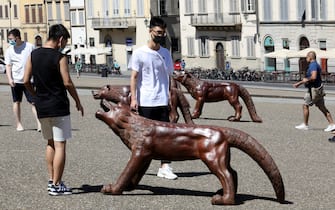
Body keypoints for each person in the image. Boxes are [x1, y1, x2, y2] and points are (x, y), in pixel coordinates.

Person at [23, 24, 84, 195]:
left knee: (50, 143)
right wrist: (77, 101)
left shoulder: (33, 54)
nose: (64, 45)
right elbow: (67, 82)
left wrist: (35, 95)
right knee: (60, 145)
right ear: (61, 39)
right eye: (64, 42)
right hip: (58, 106)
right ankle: (57, 185)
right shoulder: (60, 57)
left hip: (41, 106)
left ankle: (52, 180)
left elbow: (26, 80)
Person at [130, 17, 177, 180]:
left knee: (166, 136)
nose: (160, 35)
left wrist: (171, 96)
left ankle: (165, 167)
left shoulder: (165, 53)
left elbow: (170, 76)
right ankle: (138, 166)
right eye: (158, 32)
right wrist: (133, 99)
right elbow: (134, 77)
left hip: (162, 100)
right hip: (146, 100)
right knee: (144, 137)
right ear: (150, 31)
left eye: (163, 33)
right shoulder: (139, 53)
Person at [4, 28, 41, 132]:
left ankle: (39, 123)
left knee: (33, 102)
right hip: (16, 80)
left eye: (11, 39)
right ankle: (18, 124)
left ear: (17, 37)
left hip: (29, 80)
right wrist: (10, 79)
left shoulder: (29, 47)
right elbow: (8, 65)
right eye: (9, 39)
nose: (10, 41)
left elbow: (35, 61)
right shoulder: (9, 50)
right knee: (16, 102)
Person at [293, 51, 335, 132]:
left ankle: (305, 124)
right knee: (322, 107)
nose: (306, 59)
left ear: (310, 57)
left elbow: (313, 77)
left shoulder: (313, 65)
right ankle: (332, 124)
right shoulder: (316, 64)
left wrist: (301, 82)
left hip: (313, 90)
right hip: (318, 89)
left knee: (305, 105)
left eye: (306, 57)